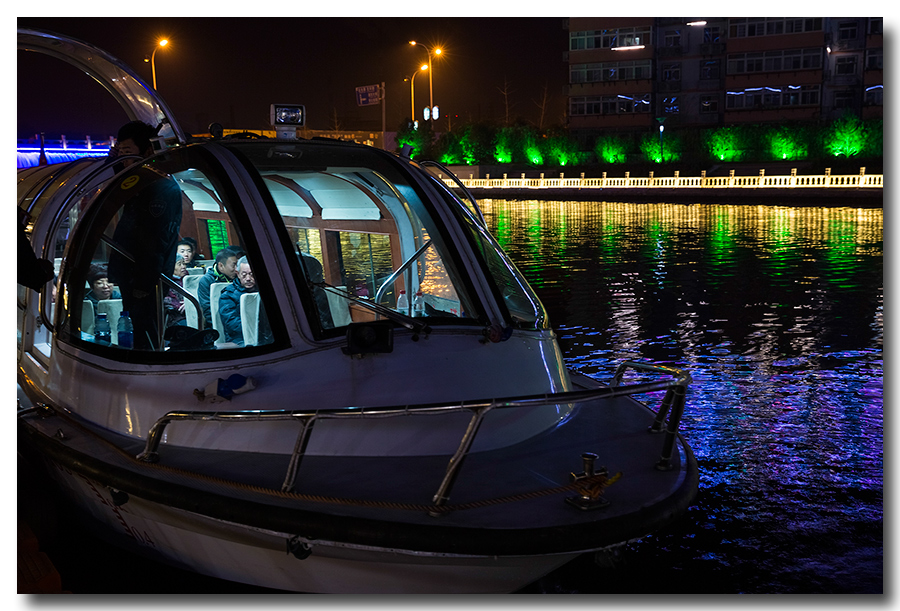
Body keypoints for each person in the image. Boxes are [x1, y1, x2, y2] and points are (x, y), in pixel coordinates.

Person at [106, 121, 182, 350]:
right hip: (132, 272)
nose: (123, 159)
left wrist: (144, 283)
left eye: (127, 152)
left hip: (144, 279)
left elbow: (154, 240)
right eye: (120, 153)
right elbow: (117, 186)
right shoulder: (140, 180)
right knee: (135, 330)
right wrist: (112, 162)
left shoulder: (159, 186)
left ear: (147, 150)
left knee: (145, 334)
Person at [219, 256, 271, 346]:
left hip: (264, 335)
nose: (248, 278)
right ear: (238, 273)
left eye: (251, 274)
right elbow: (232, 325)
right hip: (239, 339)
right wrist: (257, 328)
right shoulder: (228, 295)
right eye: (244, 274)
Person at [197, 246, 240, 329]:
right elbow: (208, 310)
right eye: (234, 265)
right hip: (217, 323)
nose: (236, 269)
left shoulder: (238, 277)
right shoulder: (207, 280)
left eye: (237, 265)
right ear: (221, 266)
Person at [164, 255, 188, 328]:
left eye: (184, 263)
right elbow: (165, 300)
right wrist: (180, 306)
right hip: (176, 317)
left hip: (192, 313)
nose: (183, 266)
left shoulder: (189, 279)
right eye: (179, 264)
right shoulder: (166, 282)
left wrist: (189, 304)